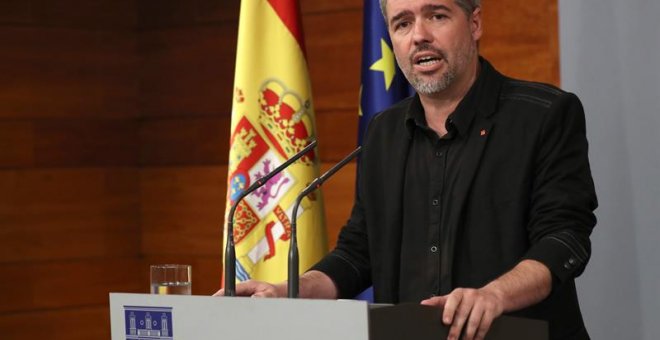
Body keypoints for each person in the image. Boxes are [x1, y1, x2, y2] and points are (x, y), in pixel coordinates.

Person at [215, 0, 597, 339]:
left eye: (437, 15)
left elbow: (566, 239)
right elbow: (358, 253)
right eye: (402, 23)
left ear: (475, 23)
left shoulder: (544, 115)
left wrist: (493, 295)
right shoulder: (383, 132)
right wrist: (286, 292)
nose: (419, 36)